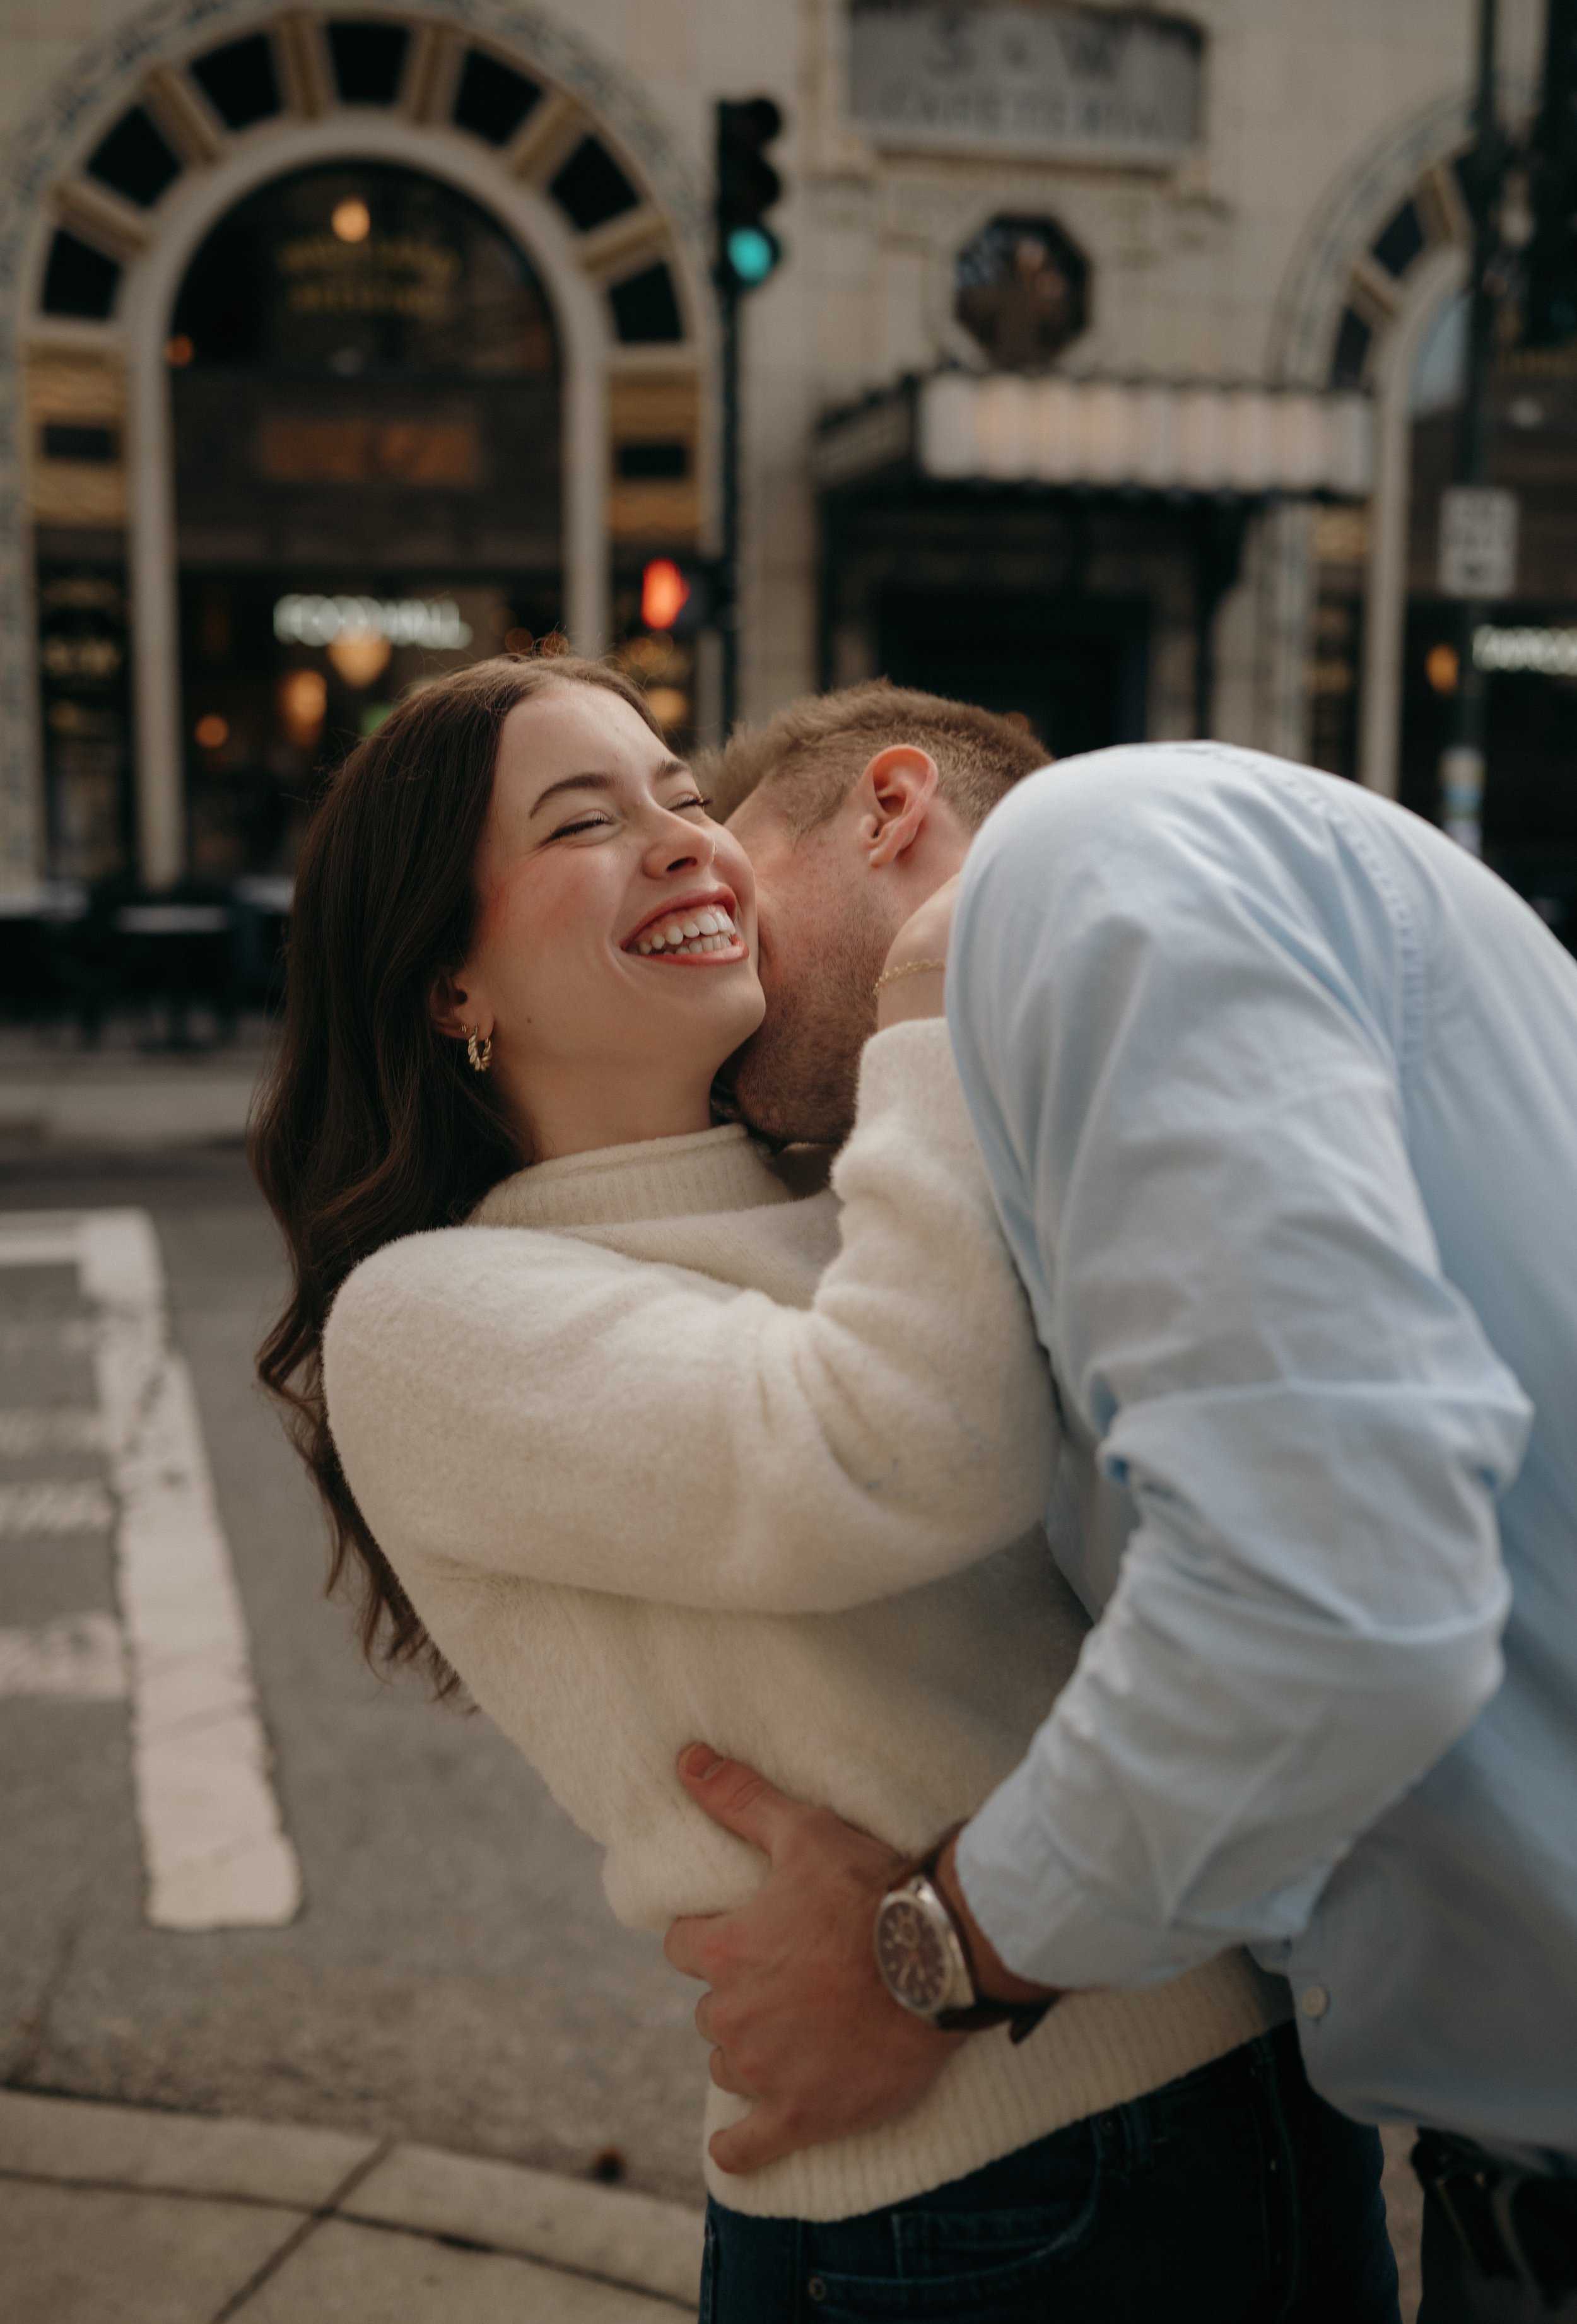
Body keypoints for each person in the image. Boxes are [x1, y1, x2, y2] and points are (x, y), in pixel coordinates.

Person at [252, 658, 1395, 2324]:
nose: (678, 839)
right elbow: (892, 1448)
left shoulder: (838, 1170)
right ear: (447, 985)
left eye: (682, 794)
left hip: (1260, 2087)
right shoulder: (427, 1319)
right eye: (586, 819)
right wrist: (939, 992)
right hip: (974, 2195)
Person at [654, 708, 1577, 2324]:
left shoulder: (1083, 865)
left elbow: (1328, 1590)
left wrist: (926, 1960)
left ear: (886, 809)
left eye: (739, 896)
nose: (712, 1014)